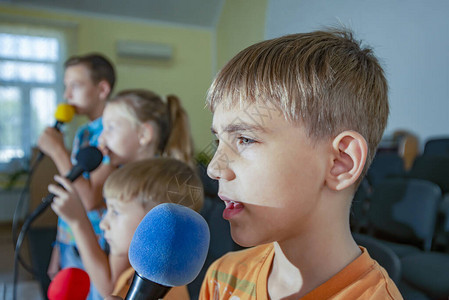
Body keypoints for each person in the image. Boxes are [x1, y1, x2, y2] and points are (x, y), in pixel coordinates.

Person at [200, 29, 403, 299]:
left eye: (245, 139)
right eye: (218, 142)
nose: (214, 168)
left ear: (340, 162)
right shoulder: (222, 278)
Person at [48, 88, 198, 297]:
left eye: (110, 127)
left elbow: (110, 288)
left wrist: (77, 221)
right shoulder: (153, 179)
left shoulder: (144, 192)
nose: (102, 137)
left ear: (144, 134)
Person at [50, 158, 203, 299]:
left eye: (115, 211)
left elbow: (107, 288)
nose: (104, 224)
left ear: (157, 223)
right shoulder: (134, 274)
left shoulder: (159, 286)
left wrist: (78, 222)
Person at [37, 53, 116, 299]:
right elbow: (71, 191)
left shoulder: (114, 131)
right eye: (65, 86)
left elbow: (90, 199)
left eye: (76, 85)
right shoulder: (83, 132)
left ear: (102, 88)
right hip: (70, 241)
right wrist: (58, 248)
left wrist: (58, 151)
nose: (67, 95)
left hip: (96, 243)